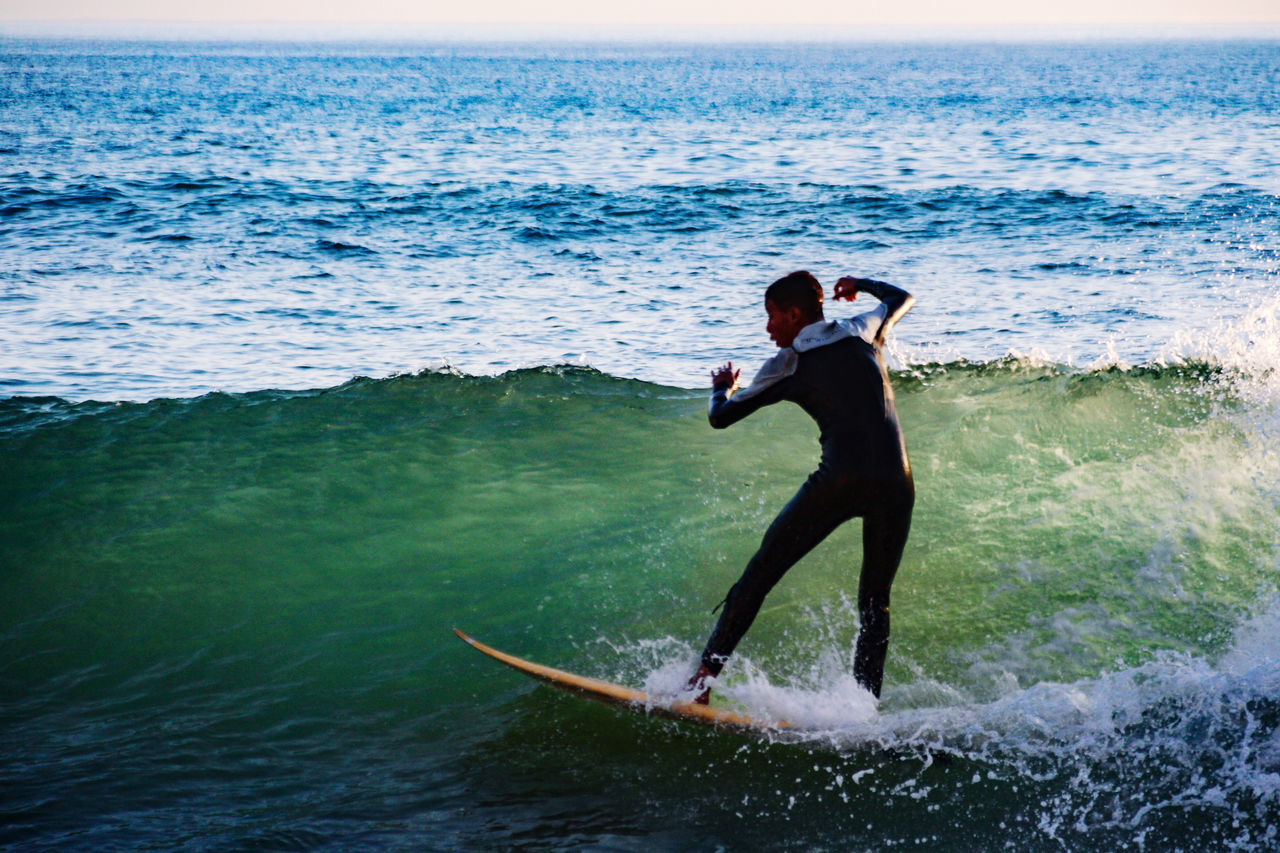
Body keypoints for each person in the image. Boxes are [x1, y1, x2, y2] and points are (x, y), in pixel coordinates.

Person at [687, 270, 915, 703]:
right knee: (875, 603)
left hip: (843, 480)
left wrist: (721, 389)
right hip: (896, 481)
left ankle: (701, 683)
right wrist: (858, 284)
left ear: (794, 314)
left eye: (771, 316)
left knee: (759, 576)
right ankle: (863, 711)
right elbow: (901, 297)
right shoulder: (862, 330)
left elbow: (721, 417)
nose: (768, 327)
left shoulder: (787, 363)